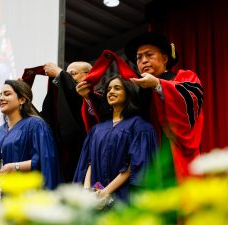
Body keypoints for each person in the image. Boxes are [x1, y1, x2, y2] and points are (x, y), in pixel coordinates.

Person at [124, 32, 204, 182]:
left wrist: (158, 85)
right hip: (143, 161)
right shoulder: (135, 88)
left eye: (149, 55)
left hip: (174, 156)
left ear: (165, 58)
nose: (144, 61)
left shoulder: (184, 77)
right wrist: (90, 97)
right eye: (139, 57)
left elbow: (191, 100)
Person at [74, 74, 158, 203]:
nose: (111, 92)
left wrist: (105, 192)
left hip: (122, 197)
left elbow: (135, 165)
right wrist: (87, 191)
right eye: (109, 89)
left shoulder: (140, 127)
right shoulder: (97, 129)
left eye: (117, 88)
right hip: (95, 198)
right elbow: (89, 162)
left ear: (128, 93)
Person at [0, 80, 60, 198]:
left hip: (24, 199)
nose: (1, 98)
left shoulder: (36, 125)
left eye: (7, 94)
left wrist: (14, 166)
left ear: (22, 100)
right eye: (0, 94)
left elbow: (44, 160)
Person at [22, 61, 92, 183]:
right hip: (59, 157)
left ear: (88, 75)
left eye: (72, 74)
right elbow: (43, 121)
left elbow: (77, 99)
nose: (68, 77)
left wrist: (60, 74)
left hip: (84, 154)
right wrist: (23, 98)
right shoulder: (58, 102)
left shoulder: (96, 96)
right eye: (67, 74)